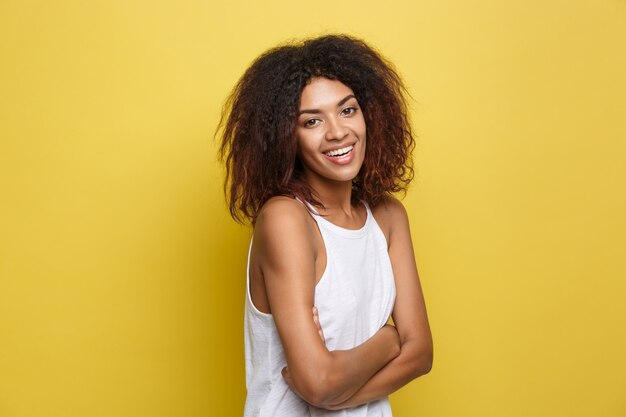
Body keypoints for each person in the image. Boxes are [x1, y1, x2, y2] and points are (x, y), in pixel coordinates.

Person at [218, 34, 433, 417]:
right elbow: (318, 381)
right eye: (312, 121)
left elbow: (421, 354)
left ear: (371, 114)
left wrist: (339, 394)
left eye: (347, 110)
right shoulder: (286, 219)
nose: (337, 132)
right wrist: (388, 339)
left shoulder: (388, 218)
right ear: (287, 138)